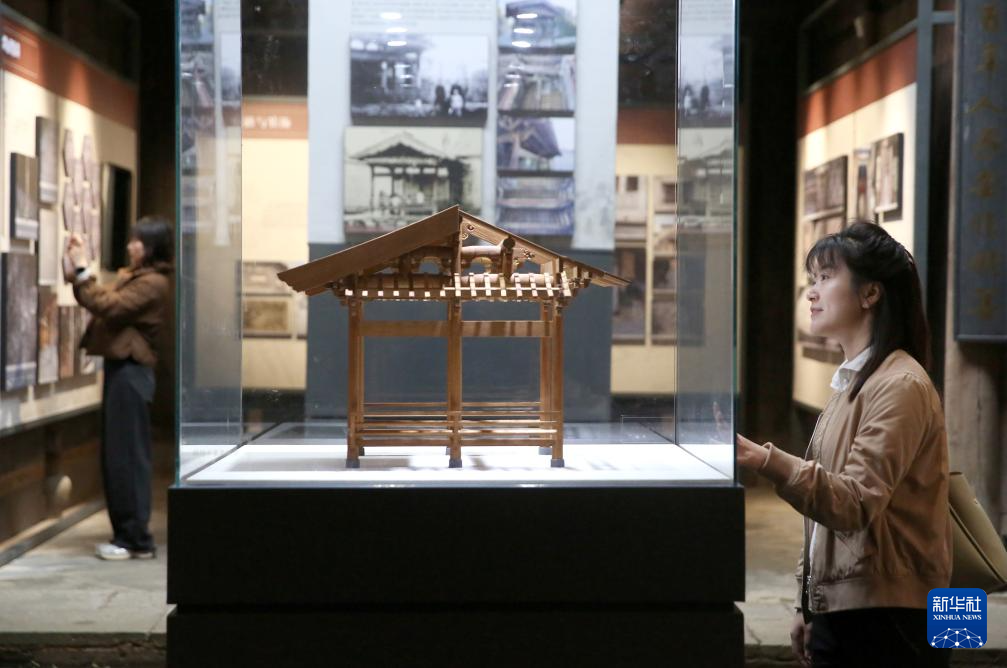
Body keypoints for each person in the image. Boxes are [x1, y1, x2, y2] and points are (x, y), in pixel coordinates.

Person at [736, 221, 951, 667]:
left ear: (870, 293)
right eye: (812, 279)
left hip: (892, 615)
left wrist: (763, 459)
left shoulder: (900, 384)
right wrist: (808, 603)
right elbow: (823, 522)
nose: (812, 293)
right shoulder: (856, 382)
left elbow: (853, 503)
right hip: (854, 607)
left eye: (825, 277)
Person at [64, 216, 174, 561]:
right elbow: (101, 301)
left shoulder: (153, 283)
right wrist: (79, 274)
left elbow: (108, 306)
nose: (130, 245)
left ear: (151, 247)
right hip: (124, 372)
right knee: (120, 455)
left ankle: (135, 538)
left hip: (131, 372)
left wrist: (82, 270)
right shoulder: (138, 278)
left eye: (136, 240)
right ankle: (128, 535)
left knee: (127, 456)